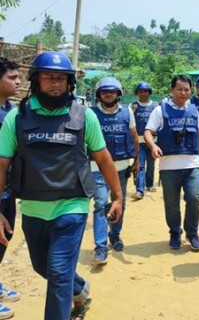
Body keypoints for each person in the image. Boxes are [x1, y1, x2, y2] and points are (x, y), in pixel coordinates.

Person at [0, 51, 123, 320]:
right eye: (49, 77)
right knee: (44, 267)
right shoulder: (16, 118)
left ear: (70, 83)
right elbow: (2, 165)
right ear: (36, 80)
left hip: (72, 205)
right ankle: (79, 289)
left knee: (57, 273)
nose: (56, 83)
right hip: (32, 208)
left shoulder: (85, 116)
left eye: (61, 78)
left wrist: (117, 196)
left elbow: (103, 158)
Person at [144, 74, 199, 251]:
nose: (183, 92)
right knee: (172, 204)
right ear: (172, 90)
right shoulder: (160, 110)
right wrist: (153, 146)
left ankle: (192, 233)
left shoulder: (194, 110)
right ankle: (174, 232)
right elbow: (148, 131)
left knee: (194, 199)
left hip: (192, 164)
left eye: (186, 89)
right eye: (179, 89)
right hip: (169, 166)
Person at [90, 77, 139, 264]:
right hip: (97, 168)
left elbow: (134, 137)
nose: (108, 95)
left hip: (121, 167)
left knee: (120, 203)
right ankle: (100, 247)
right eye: (104, 92)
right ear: (98, 95)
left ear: (118, 94)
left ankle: (115, 235)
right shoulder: (91, 114)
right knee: (101, 204)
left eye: (112, 92)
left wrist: (136, 162)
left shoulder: (127, 113)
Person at [0, 57, 21, 320]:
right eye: (12, 78)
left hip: (8, 190)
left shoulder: (12, 110)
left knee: (4, 238)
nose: (18, 81)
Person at [131, 81, 158, 200]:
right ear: (137, 93)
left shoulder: (155, 106)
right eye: (140, 91)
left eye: (145, 91)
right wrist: (132, 112)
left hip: (152, 141)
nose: (143, 94)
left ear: (149, 93)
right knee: (140, 165)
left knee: (151, 164)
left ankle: (150, 183)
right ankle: (139, 190)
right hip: (139, 142)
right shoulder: (133, 106)